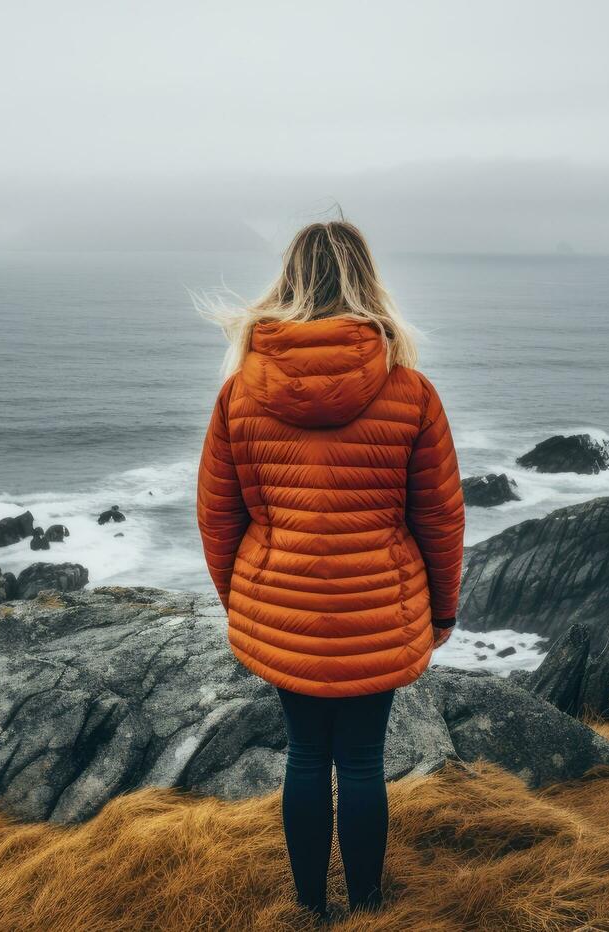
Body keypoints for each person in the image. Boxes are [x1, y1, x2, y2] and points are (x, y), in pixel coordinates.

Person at [196, 220, 465, 921]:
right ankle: (371, 908)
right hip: (379, 611)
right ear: (366, 281)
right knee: (365, 762)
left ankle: (312, 910)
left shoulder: (239, 395)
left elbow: (219, 519)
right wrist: (441, 612)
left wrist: (248, 602)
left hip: (280, 610)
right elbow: (440, 517)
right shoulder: (411, 392)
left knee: (307, 758)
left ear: (287, 283)